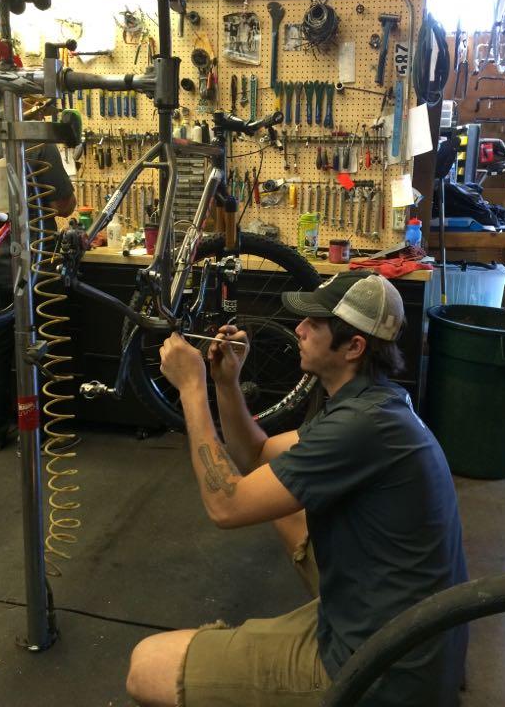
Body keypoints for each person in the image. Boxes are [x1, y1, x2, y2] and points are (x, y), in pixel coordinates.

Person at [126, 271, 469, 707]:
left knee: (147, 666)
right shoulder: (373, 403)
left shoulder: (359, 427)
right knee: (286, 506)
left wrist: (191, 389)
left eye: (314, 324)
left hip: (381, 672)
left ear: (354, 346)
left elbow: (225, 505)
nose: (299, 329)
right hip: (410, 639)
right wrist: (225, 383)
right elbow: (257, 454)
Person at [0, 109, 76, 452]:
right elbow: (66, 205)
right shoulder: (35, 135)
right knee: (42, 342)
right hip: (35, 262)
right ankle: (46, 433)